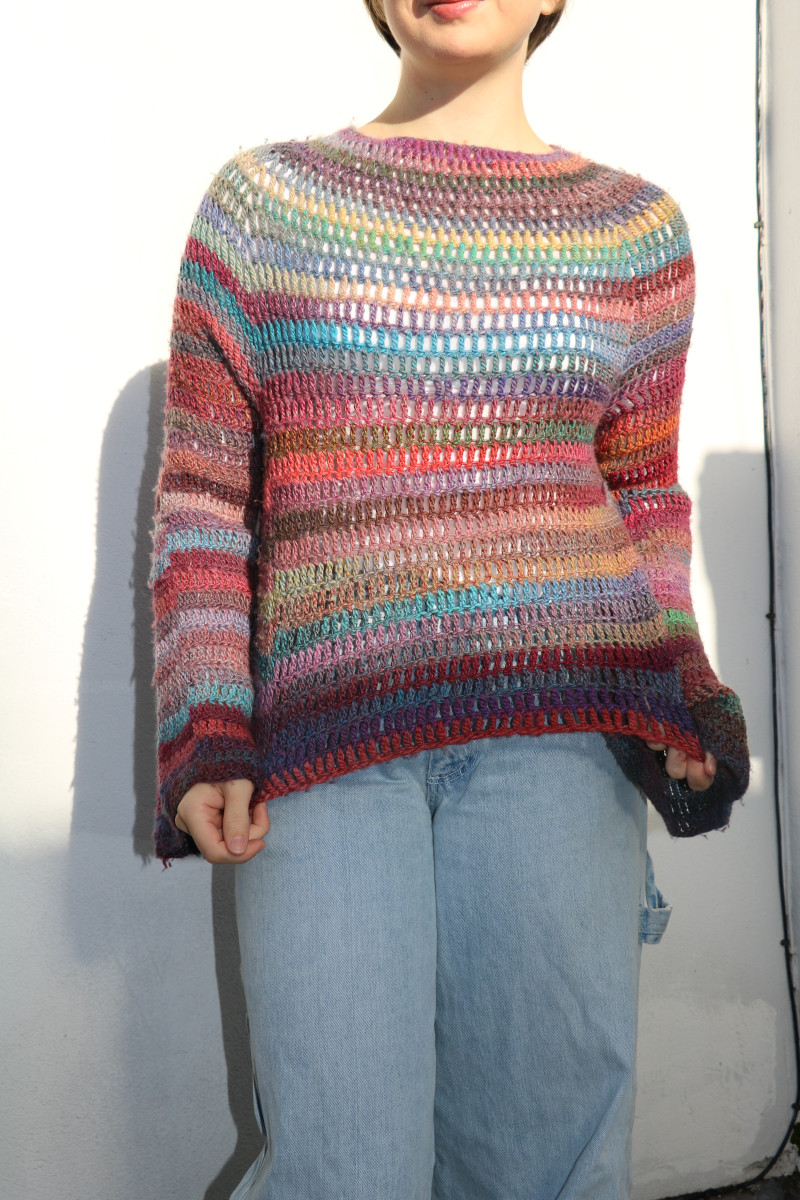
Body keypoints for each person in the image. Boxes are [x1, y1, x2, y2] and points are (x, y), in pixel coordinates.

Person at [149, 0, 751, 1195]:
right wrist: (205, 722)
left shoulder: (634, 229)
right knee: (342, 1169)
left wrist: (684, 681)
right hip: (330, 751)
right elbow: (204, 499)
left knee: (541, 1164)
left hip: (562, 744)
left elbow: (640, 491)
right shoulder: (265, 205)